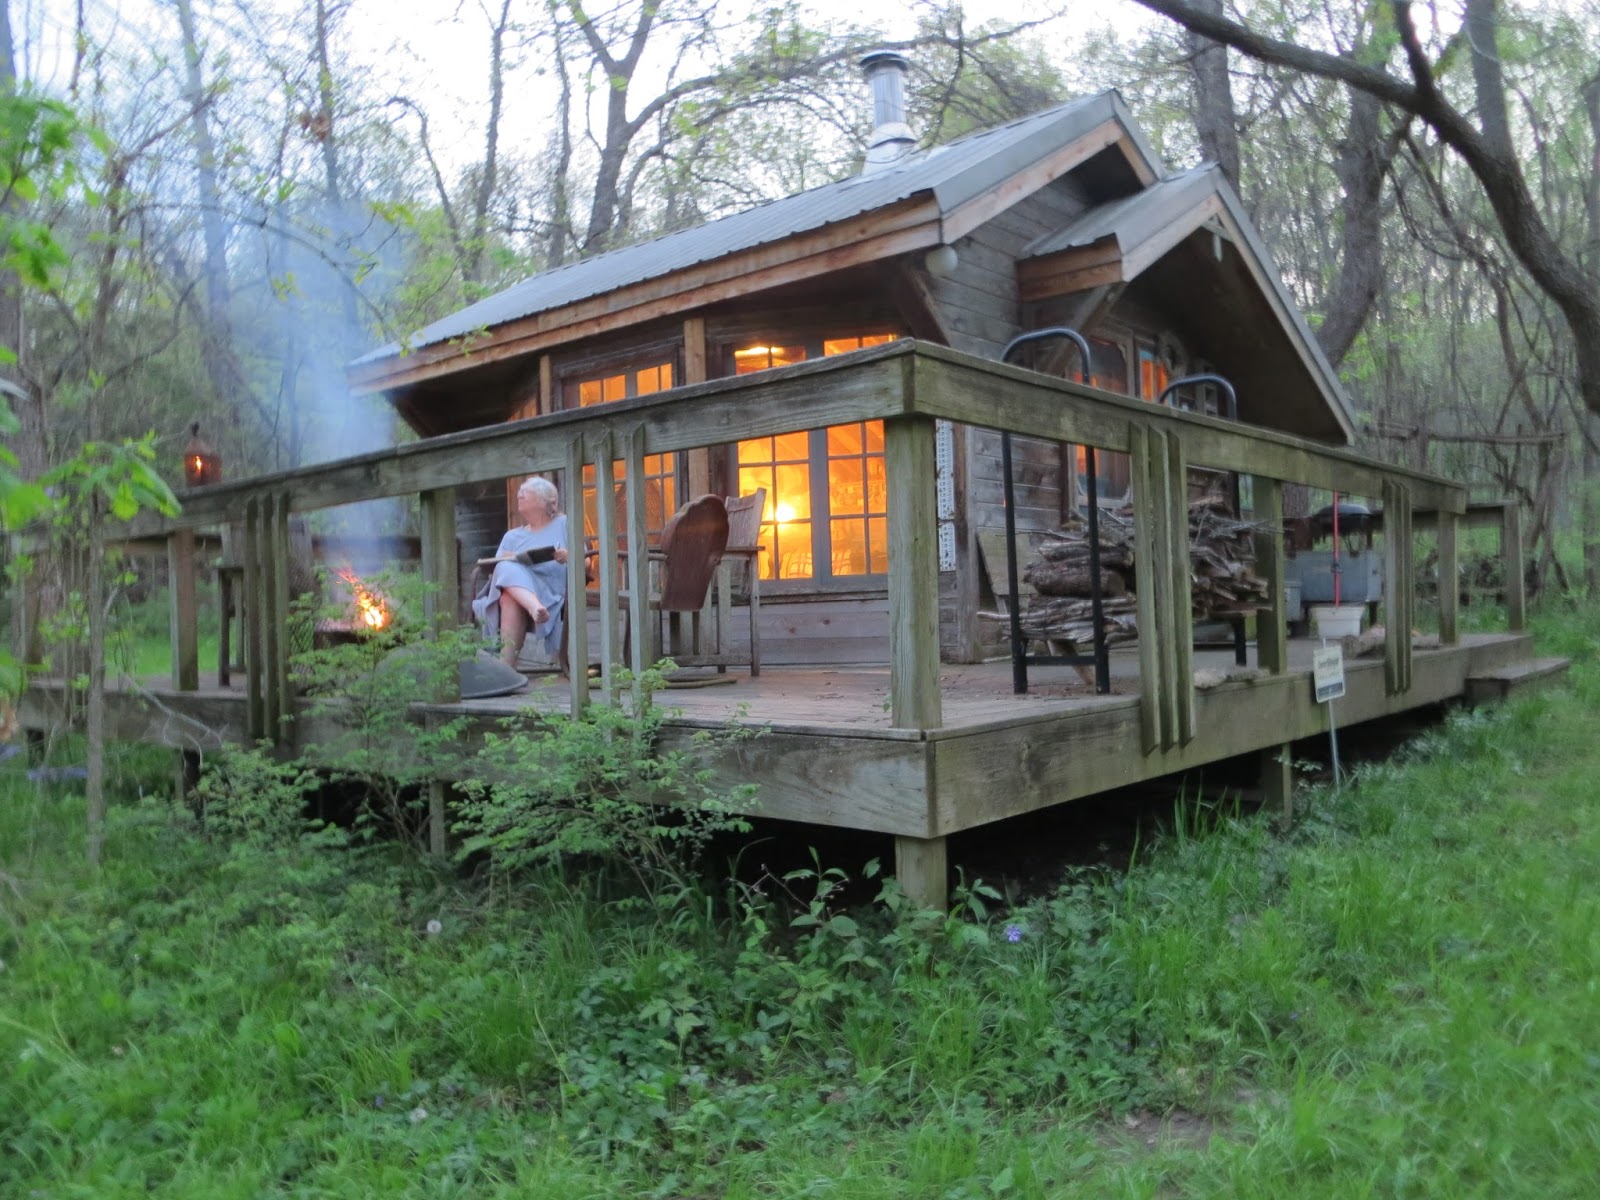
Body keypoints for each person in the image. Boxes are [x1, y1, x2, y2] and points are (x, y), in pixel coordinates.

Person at [472, 476, 570, 671]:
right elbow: (496, 575)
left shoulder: (564, 524)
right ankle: (534, 609)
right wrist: (507, 559)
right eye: (519, 491)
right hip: (524, 596)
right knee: (506, 575)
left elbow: (586, 563)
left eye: (526, 491)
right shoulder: (512, 536)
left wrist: (567, 555)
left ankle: (505, 668)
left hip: (551, 592)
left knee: (509, 591)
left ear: (543, 500)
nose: (519, 494)